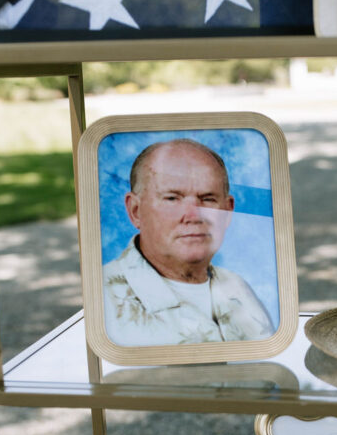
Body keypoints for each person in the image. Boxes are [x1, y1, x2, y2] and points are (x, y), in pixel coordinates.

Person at [102, 138, 275, 346]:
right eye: (172, 198)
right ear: (136, 211)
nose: (194, 215)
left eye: (208, 199)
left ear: (227, 212)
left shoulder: (238, 287)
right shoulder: (104, 301)